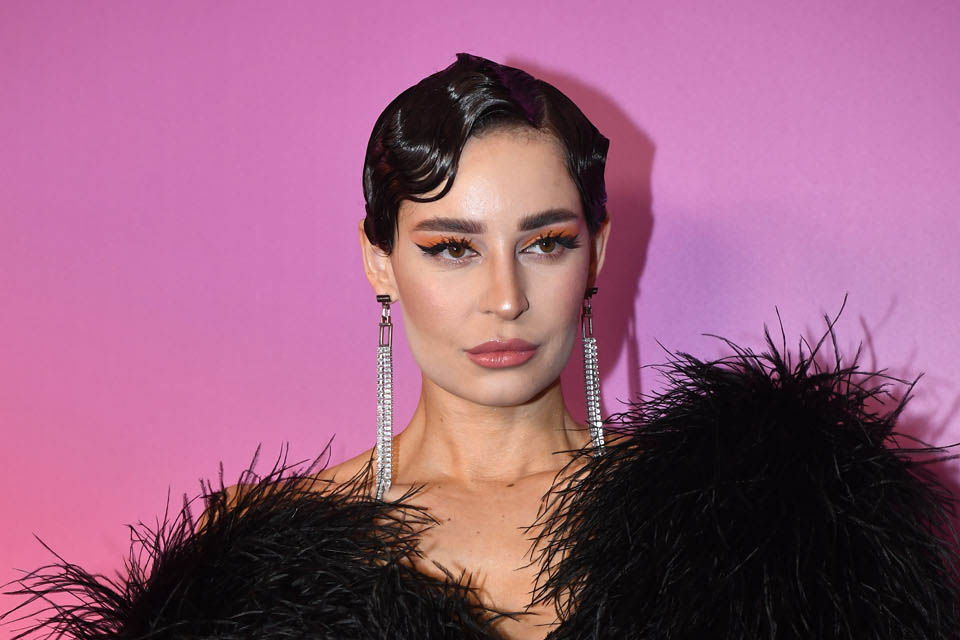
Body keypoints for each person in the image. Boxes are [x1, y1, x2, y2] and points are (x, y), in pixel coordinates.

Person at [4, 53, 959, 640]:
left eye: (545, 243)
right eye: (452, 248)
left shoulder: (761, 524)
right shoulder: (251, 557)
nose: (505, 298)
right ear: (379, 261)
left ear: (597, 254)